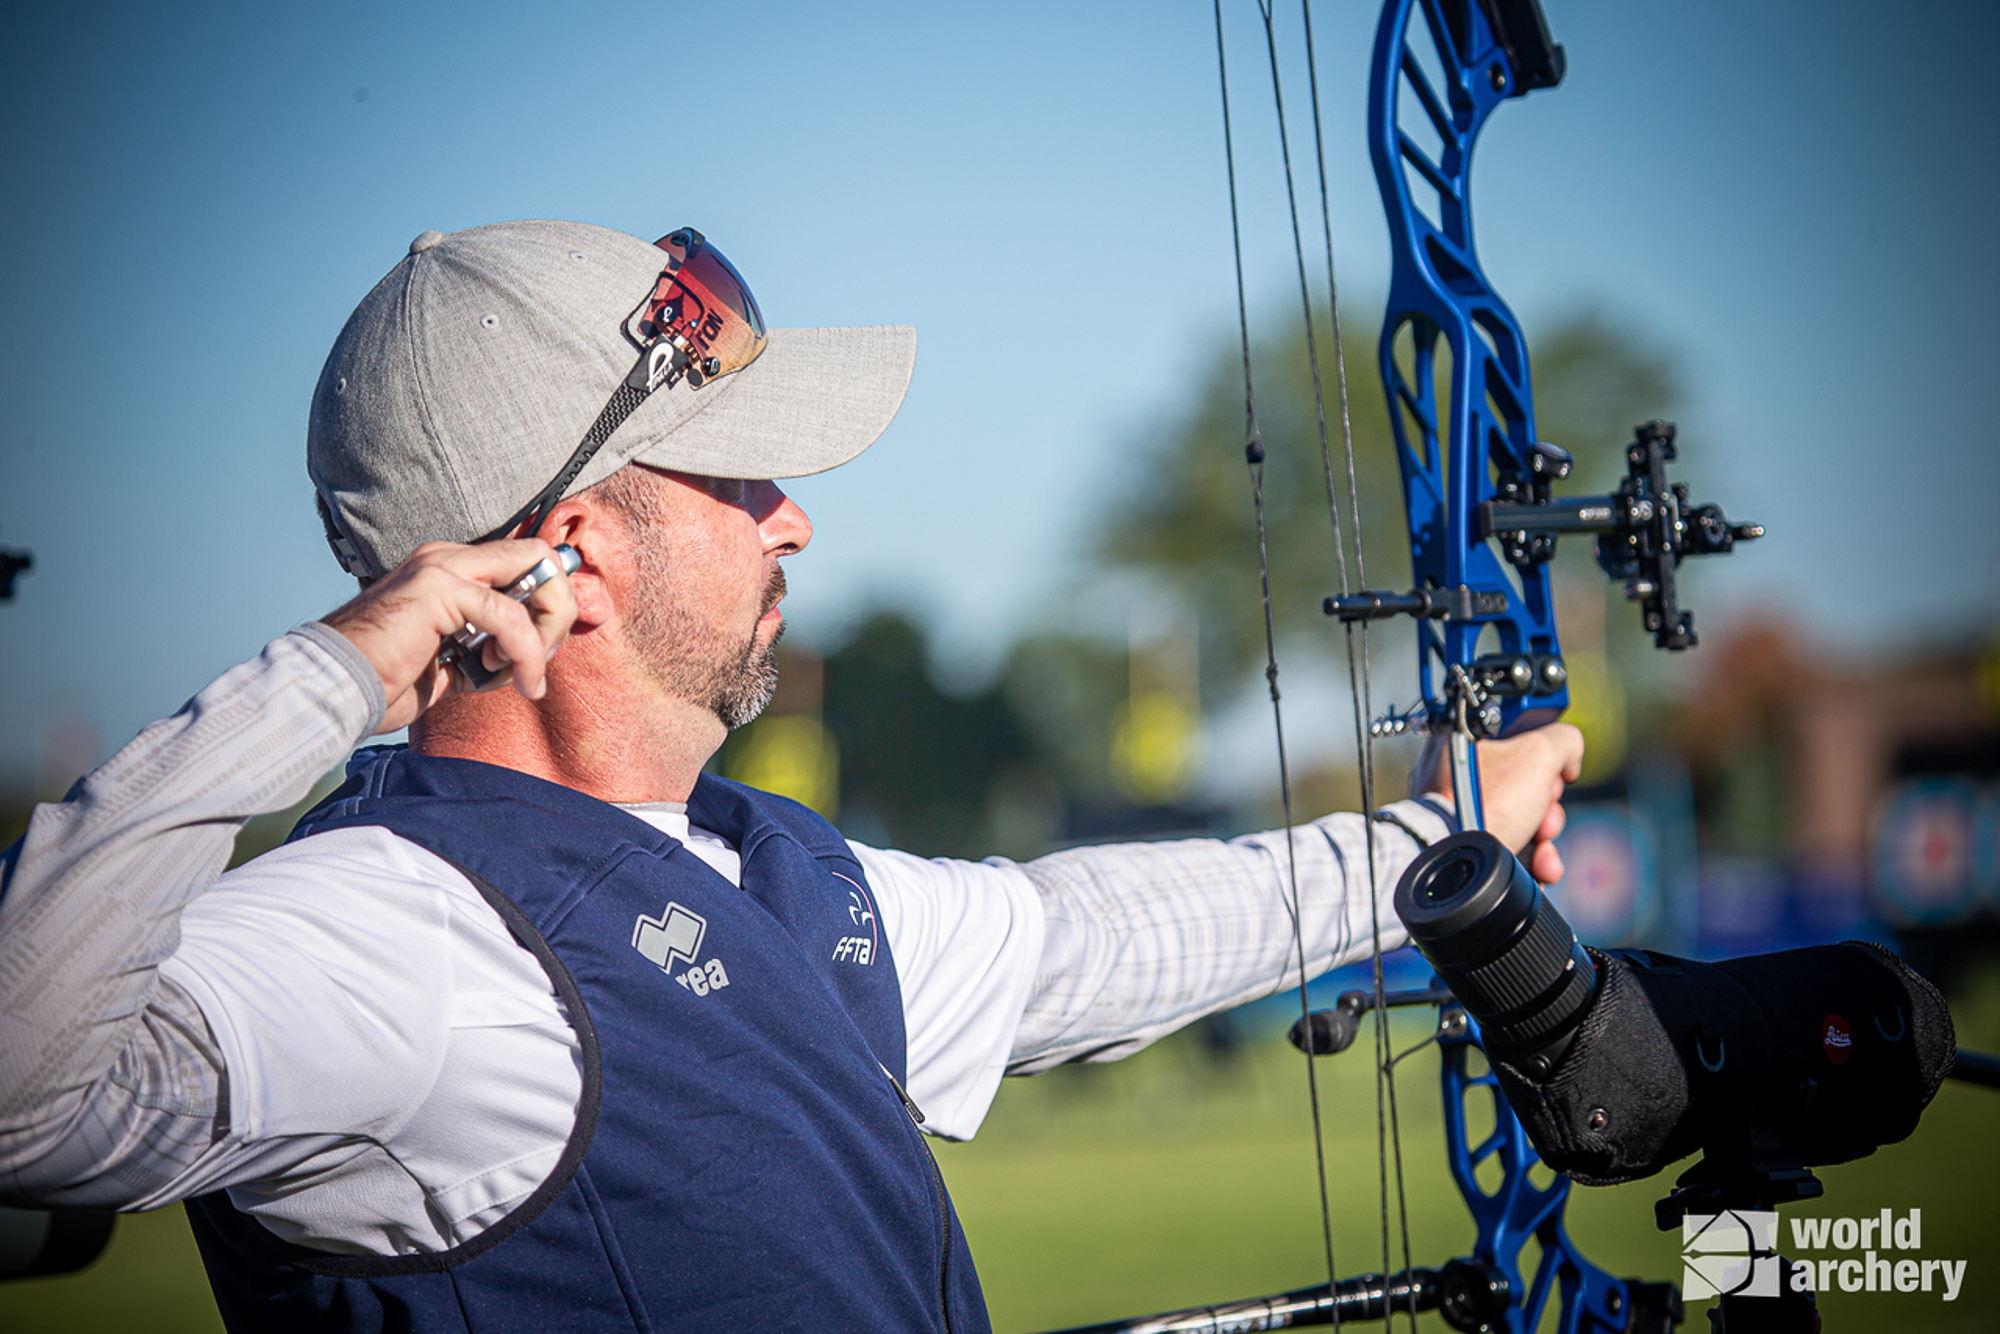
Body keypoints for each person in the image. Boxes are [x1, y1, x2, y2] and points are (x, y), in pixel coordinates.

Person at [0, 220, 1582, 1332]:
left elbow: (1089, 939)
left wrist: (1443, 838)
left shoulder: (762, 861)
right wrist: (339, 665)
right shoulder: (383, 930)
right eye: (737, 475)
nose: (794, 518)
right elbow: (23, 1101)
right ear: (566, 555)